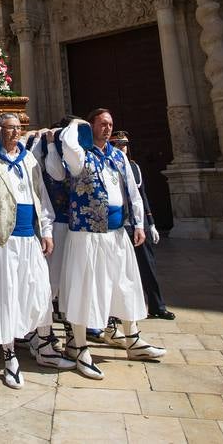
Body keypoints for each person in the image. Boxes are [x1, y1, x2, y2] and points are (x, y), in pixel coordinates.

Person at [54, 111, 166, 380]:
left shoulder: (117, 156)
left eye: (111, 124)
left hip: (116, 232)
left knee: (125, 283)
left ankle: (133, 339)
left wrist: (138, 224)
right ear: (90, 126)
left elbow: (132, 191)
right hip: (87, 233)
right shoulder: (80, 155)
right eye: (102, 124)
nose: (107, 128)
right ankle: (78, 346)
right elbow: (68, 144)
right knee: (86, 287)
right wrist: (74, 125)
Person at [0, 114, 73, 389]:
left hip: (29, 238)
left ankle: (43, 347)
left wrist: (46, 230)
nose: (16, 132)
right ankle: (10, 356)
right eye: (9, 128)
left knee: (38, 294)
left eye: (18, 128)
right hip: (3, 240)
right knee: (7, 298)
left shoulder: (28, 159)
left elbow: (41, 196)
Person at [110, 131, 175, 321]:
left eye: (124, 144)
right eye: (117, 144)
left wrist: (151, 222)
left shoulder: (134, 167)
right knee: (118, 270)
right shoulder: (107, 165)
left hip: (138, 224)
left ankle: (157, 305)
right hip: (120, 225)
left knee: (148, 266)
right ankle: (117, 311)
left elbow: (141, 195)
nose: (122, 147)